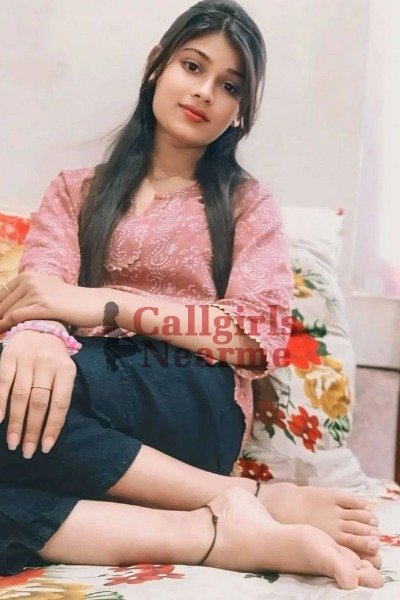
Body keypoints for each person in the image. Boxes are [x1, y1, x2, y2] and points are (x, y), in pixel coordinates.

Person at [0, 0, 383, 590]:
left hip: (191, 398)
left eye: (229, 85)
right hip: (78, 399)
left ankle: (250, 495)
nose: (205, 92)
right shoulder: (75, 192)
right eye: (193, 66)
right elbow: (41, 288)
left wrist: (107, 305)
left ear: (239, 110)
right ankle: (217, 526)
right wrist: (39, 338)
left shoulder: (245, 205)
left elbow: (255, 336)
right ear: (157, 65)